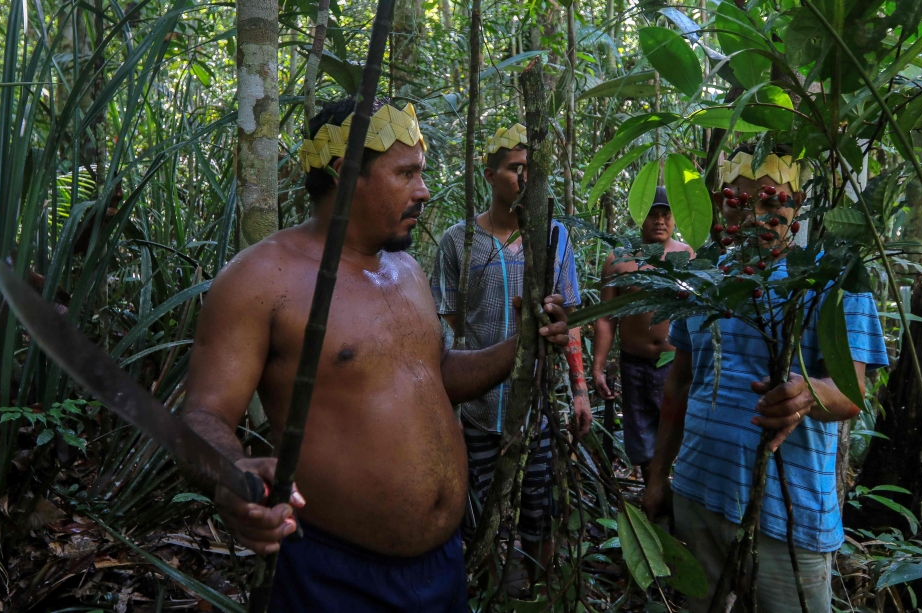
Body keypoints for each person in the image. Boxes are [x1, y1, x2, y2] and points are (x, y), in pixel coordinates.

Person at [180, 100, 572, 613]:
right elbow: (201, 417)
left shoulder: (406, 269)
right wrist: (236, 475)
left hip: (441, 567)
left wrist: (524, 345)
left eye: (422, 174)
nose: (424, 191)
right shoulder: (262, 280)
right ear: (346, 176)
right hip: (333, 573)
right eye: (406, 174)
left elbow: (436, 376)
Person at [642, 146, 889, 613]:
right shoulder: (703, 273)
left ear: (796, 205)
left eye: (773, 204)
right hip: (697, 492)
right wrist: (660, 477)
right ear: (721, 204)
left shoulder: (833, 278)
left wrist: (808, 393)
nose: (757, 216)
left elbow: (851, 394)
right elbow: (679, 381)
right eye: (740, 203)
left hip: (788, 517)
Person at [430, 124, 592, 595]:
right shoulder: (458, 241)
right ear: (489, 175)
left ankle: (537, 595)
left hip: (539, 406)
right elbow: (449, 324)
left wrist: (578, 389)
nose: (524, 178)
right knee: (480, 510)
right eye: (514, 168)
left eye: (531, 169)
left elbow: (572, 318)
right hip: (481, 410)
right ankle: (488, 587)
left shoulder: (555, 237)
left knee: (540, 509)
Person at [591, 187, 694, 481]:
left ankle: (675, 494)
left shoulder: (687, 256)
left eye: (665, 215)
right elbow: (606, 316)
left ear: (674, 220)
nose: (659, 221)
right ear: (640, 217)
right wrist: (598, 366)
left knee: (678, 430)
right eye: (652, 215)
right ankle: (653, 494)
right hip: (633, 362)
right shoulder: (618, 259)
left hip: (674, 364)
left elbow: (699, 316)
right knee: (641, 435)